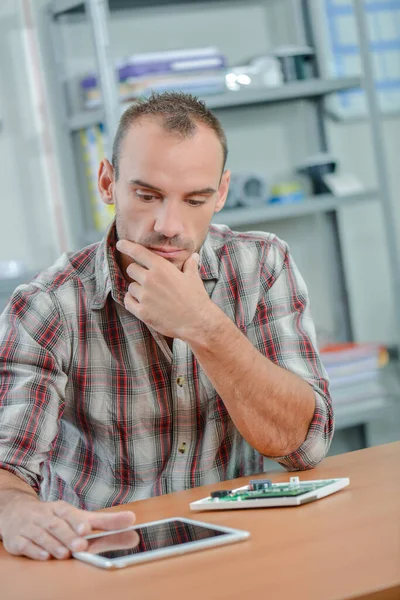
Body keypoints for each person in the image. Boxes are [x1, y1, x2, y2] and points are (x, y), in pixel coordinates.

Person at [0, 92, 333, 562]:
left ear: (220, 193)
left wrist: (203, 325)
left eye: (195, 199)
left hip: (248, 550)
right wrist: (14, 511)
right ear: (107, 182)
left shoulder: (263, 265)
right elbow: (6, 466)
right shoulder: (47, 306)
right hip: (109, 562)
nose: (169, 225)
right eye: (146, 194)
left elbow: (306, 447)